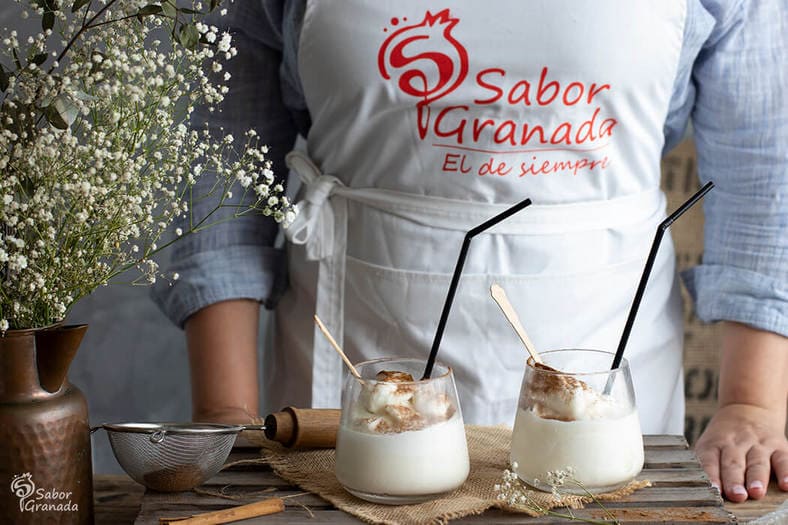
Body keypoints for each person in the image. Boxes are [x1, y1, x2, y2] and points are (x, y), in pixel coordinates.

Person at [153, 0, 787, 503]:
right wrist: (225, 415)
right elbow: (219, 157)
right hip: (351, 360)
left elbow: (765, 165)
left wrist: (750, 406)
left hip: (605, 360)